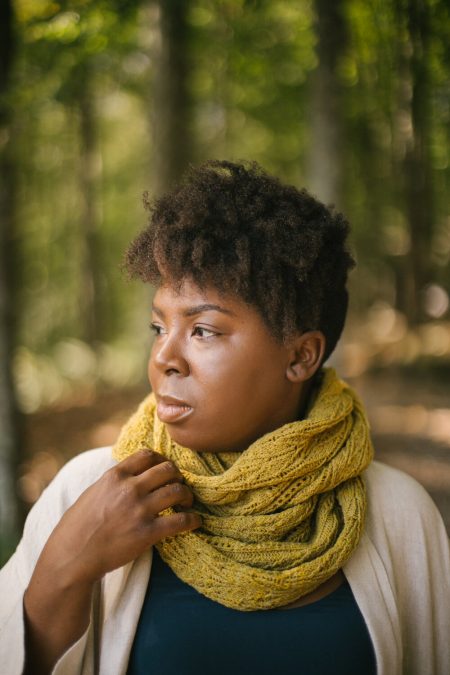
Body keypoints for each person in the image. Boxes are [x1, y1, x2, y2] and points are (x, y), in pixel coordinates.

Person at [0, 160, 449, 675]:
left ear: (301, 357)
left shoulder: (399, 516)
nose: (164, 357)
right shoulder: (89, 493)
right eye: (158, 326)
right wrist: (61, 573)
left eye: (203, 331)